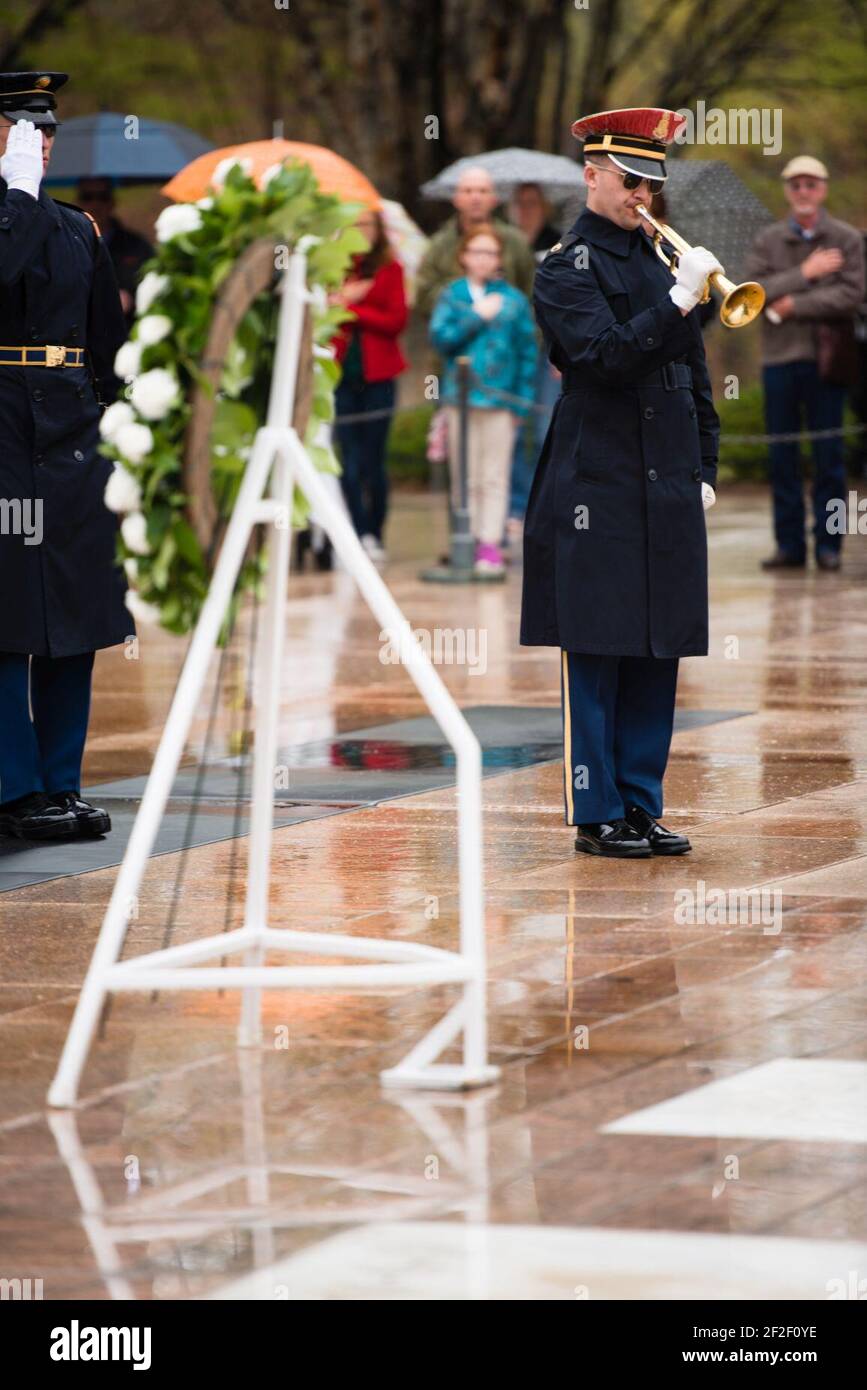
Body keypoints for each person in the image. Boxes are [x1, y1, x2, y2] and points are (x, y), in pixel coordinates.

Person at [521, 107, 721, 858]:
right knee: (598, 645)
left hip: (664, 475)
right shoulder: (562, 266)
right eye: (629, 180)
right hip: (594, 483)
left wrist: (703, 465)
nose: (641, 194)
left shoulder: (663, 261)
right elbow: (601, 357)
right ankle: (594, 808)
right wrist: (676, 304)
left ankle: (640, 802)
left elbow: (691, 376)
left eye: (650, 183)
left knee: (654, 645)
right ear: (592, 176)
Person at [0, 72, 129, 841]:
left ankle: (60, 782)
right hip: (4, 430)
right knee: (9, 617)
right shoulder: (10, 219)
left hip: (71, 435)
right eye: (20, 130)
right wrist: (13, 200)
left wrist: (117, 427)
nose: (37, 144)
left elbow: (104, 344)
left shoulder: (78, 228)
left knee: (73, 614)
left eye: (44, 133)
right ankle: (14, 789)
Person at [745, 155, 865, 571]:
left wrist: (793, 304)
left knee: (829, 458)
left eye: (811, 184)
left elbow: (851, 295)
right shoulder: (768, 240)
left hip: (827, 362)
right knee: (782, 457)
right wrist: (806, 272)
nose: (803, 192)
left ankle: (829, 547)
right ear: (787, 191)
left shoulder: (847, 239)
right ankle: (789, 546)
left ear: (824, 188)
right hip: (779, 361)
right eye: (795, 185)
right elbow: (753, 293)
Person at [429, 223, 536, 577]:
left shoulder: (514, 301)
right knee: (465, 474)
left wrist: (521, 402)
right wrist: (476, 316)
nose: (484, 259)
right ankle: (467, 538)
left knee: (495, 474)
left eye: (491, 252)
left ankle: (490, 542)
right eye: (477, 251)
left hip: (499, 400)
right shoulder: (452, 295)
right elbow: (441, 338)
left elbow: (526, 353)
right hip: (460, 398)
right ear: (463, 256)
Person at [330, 206, 408, 563]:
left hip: (378, 377)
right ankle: (357, 531)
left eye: (368, 225)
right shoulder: (336, 269)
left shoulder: (391, 270)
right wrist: (342, 300)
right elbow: (326, 316)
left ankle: (376, 530)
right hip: (341, 375)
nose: (363, 230)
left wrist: (353, 305)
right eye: (356, 224)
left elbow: (395, 320)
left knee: (374, 461)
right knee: (348, 459)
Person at [507, 181, 563, 532]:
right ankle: (517, 504)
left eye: (532, 203)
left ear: (543, 207)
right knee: (513, 428)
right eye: (520, 203)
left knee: (545, 428)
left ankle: (546, 500)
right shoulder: (504, 244)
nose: (526, 210)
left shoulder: (559, 242)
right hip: (511, 346)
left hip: (547, 347)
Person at [414, 167, 536, 319]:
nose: (475, 197)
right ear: (456, 199)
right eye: (468, 191)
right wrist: (467, 297)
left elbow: (532, 293)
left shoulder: (515, 242)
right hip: (457, 334)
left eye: (483, 191)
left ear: (494, 200)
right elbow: (423, 295)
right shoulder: (439, 244)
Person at [75, 177, 153, 330]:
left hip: (124, 330)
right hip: (78, 333)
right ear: (78, 202)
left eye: (102, 197)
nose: (95, 204)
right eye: (88, 197)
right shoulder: (65, 243)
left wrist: (131, 297)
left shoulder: (136, 245)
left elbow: (152, 283)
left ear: (112, 202)